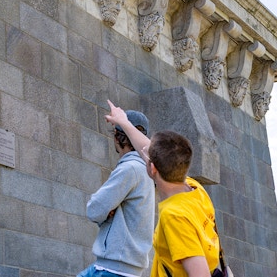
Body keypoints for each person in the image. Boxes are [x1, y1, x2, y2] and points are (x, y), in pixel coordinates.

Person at [105, 100, 220, 277]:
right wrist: (123, 122)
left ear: (152, 169)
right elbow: (148, 149)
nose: (145, 154)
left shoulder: (174, 215)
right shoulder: (195, 189)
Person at [77, 109, 156, 277]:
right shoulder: (145, 171)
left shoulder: (130, 169)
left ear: (118, 136)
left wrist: (106, 213)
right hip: (124, 268)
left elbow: (94, 208)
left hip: (114, 269)